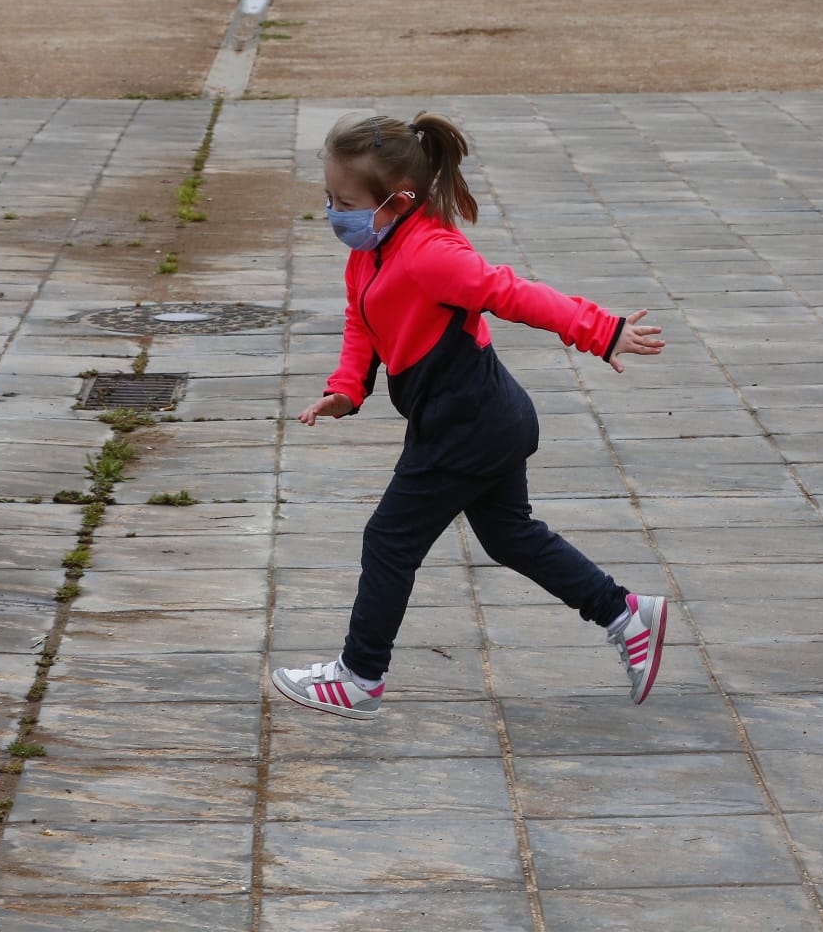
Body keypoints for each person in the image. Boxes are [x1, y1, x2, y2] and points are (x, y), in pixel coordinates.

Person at [271, 112, 669, 721]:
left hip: (467, 426)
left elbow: (512, 293)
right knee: (508, 534)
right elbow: (363, 325)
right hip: (484, 418)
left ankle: (359, 677)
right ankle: (624, 613)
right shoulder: (371, 254)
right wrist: (346, 389)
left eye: (346, 202)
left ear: (400, 199)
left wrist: (602, 331)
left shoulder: (431, 253)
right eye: (329, 199)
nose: (333, 213)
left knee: (388, 540)